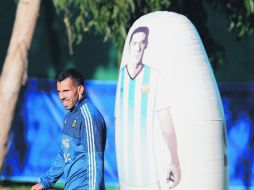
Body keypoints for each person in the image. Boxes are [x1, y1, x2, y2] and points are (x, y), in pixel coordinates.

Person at [115, 26, 181, 189]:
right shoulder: (121, 77)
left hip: (148, 172)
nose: (138, 47)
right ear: (129, 45)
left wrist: (174, 160)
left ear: (146, 45)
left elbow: (166, 124)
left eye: (142, 43)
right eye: (135, 43)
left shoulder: (154, 76)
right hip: (124, 173)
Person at [31, 68, 107, 190]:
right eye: (59, 91)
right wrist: (45, 182)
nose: (61, 96)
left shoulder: (88, 116)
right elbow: (64, 155)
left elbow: (94, 161)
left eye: (66, 91)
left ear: (80, 89)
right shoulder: (69, 116)